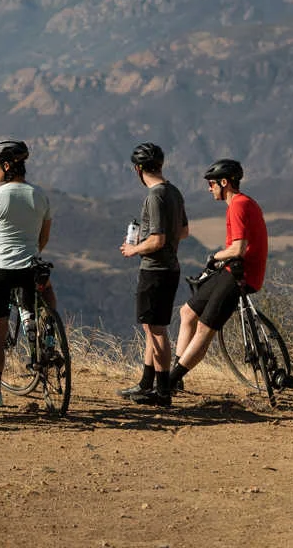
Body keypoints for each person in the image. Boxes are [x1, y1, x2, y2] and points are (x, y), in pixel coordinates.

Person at [137, 158, 267, 404]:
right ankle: (176, 379)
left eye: (212, 184)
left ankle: (169, 384)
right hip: (231, 271)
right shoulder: (242, 203)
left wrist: (215, 256)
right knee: (187, 312)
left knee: (205, 330)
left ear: (224, 182)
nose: (209, 188)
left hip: (241, 276)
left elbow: (238, 248)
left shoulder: (238, 205)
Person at [0, 139, 53, 407]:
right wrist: (31, 252)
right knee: (44, 299)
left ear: (7, 166)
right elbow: (44, 237)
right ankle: (47, 339)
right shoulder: (39, 195)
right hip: (30, 267)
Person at [119, 142, 188, 408]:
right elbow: (183, 232)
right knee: (152, 326)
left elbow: (157, 240)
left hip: (155, 270)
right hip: (170, 268)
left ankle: (162, 391)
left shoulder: (155, 196)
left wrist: (134, 249)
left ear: (138, 169)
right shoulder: (174, 192)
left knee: (157, 331)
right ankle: (146, 384)